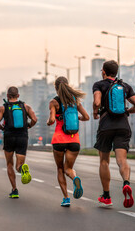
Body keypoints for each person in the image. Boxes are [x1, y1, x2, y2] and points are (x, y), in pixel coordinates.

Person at [92, 60, 135, 208]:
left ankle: (106, 196)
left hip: (106, 125)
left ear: (103, 72)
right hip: (123, 126)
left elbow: (96, 102)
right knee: (122, 160)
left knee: (104, 161)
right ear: (116, 72)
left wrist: (96, 113)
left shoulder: (99, 84)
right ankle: (126, 182)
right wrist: (127, 111)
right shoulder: (125, 86)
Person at [47, 77, 89, 207]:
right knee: (68, 168)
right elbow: (86, 117)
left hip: (59, 139)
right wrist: (78, 118)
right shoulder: (75, 100)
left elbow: (52, 120)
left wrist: (49, 121)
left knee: (60, 169)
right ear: (67, 85)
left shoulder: (54, 102)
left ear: (56, 88)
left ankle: (66, 198)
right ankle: (74, 177)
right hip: (73, 139)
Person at [0, 86, 37, 199]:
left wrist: (3, 128)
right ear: (18, 96)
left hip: (9, 137)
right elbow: (34, 119)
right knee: (19, 165)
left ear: (7, 96)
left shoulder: (3, 108)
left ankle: (14, 190)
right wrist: (28, 126)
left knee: (9, 164)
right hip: (22, 137)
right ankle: (22, 169)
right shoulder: (25, 106)